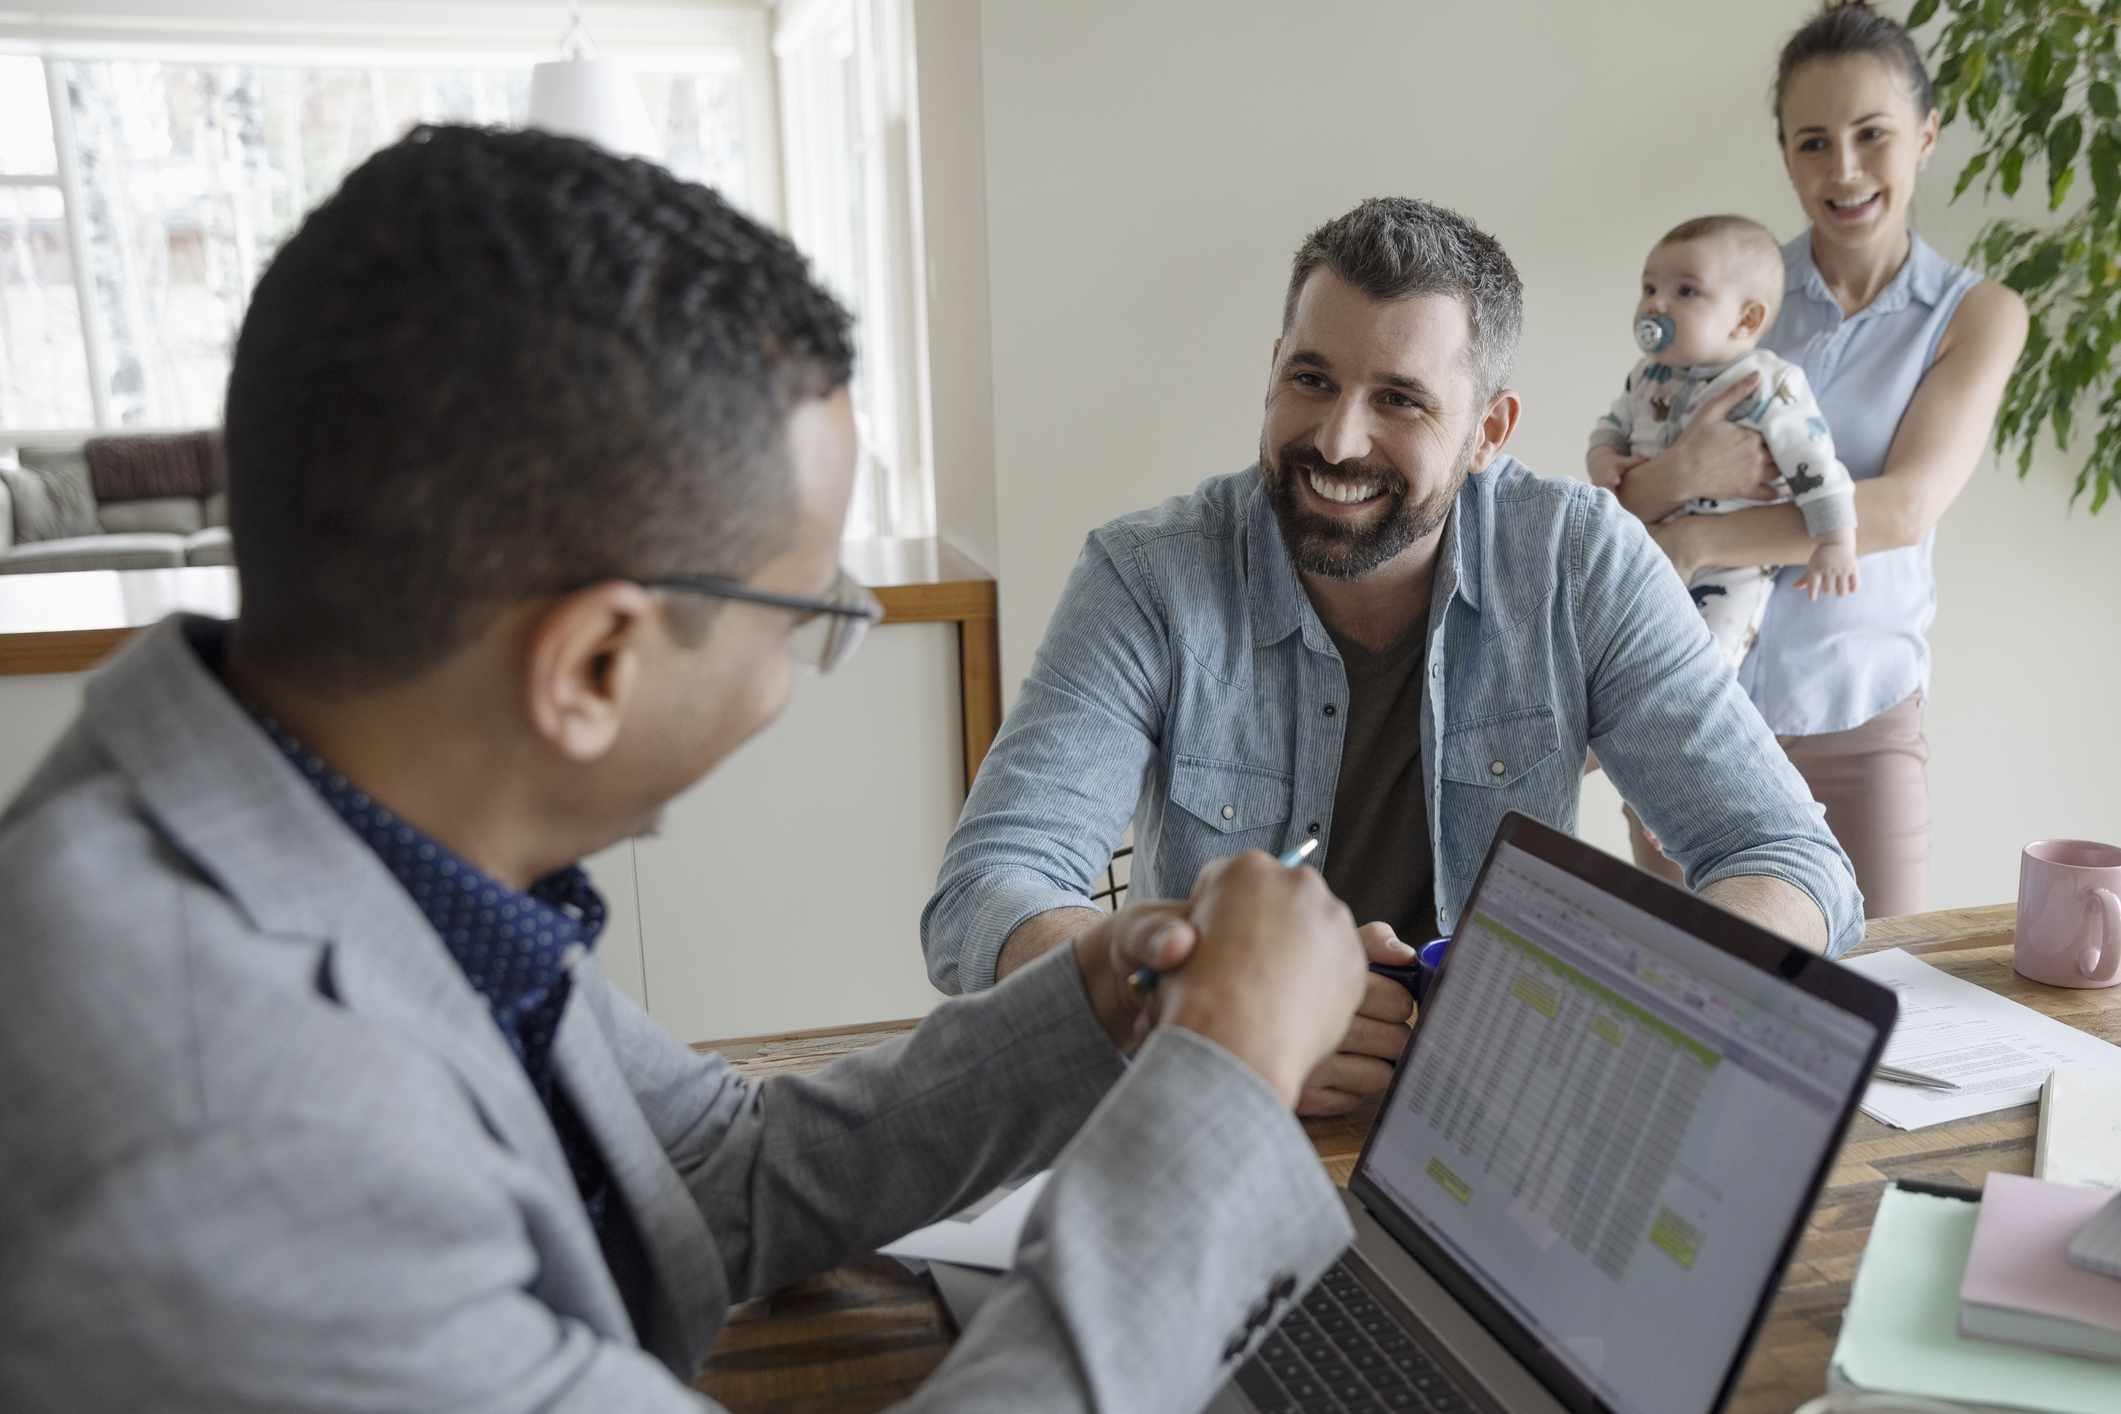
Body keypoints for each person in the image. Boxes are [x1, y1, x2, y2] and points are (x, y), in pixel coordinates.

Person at [0, 125, 1373, 1412]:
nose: (797, 676)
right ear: (596, 662)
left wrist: (1092, 1003)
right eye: (804, 618)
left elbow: (707, 1167)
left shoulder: (350, 826)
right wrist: (1224, 1079)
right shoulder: (217, 1136)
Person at [922, 195, 1865, 1118]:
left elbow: (1789, 858)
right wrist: (1198, 1008)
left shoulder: (1578, 559)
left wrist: (1625, 1001)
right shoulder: (1147, 574)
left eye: (1400, 400)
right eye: (1311, 380)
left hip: (1496, 1120)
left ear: (1488, 432)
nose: (1337, 438)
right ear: (1271, 373)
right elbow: (989, 886)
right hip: (1207, 1110)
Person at [1610, 0, 2030, 917]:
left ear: (1924, 136)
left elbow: (1902, 509)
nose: (1841, 171)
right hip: (1692, 710)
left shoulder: (1976, 314)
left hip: (1857, 722)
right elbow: (1628, 487)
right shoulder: (1728, 293)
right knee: (1687, 1002)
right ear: (1786, 154)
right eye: (1811, 142)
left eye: (1870, 135)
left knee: (1876, 1008)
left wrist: (1694, 542)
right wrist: (1685, 481)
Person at [1589, 214, 1859, 670]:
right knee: (1619, 655)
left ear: (1745, 319)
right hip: (1648, 545)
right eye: (1650, 288)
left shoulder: (1770, 385)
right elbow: (1611, 425)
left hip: (1732, 565)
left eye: (1685, 291)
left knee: (1703, 664)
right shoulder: (1647, 376)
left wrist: (1836, 541)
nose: (1656, 305)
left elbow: (1816, 465)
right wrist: (1602, 457)